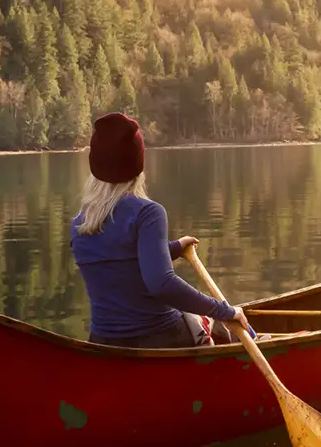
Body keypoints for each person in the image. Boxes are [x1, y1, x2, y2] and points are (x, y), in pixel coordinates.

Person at [70, 112, 257, 348]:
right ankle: (257, 341)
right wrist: (223, 311)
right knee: (213, 321)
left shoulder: (80, 223)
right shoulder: (147, 212)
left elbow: (122, 262)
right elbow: (161, 283)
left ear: (95, 165)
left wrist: (175, 248)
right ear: (138, 164)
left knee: (207, 318)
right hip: (159, 337)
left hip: (104, 342)